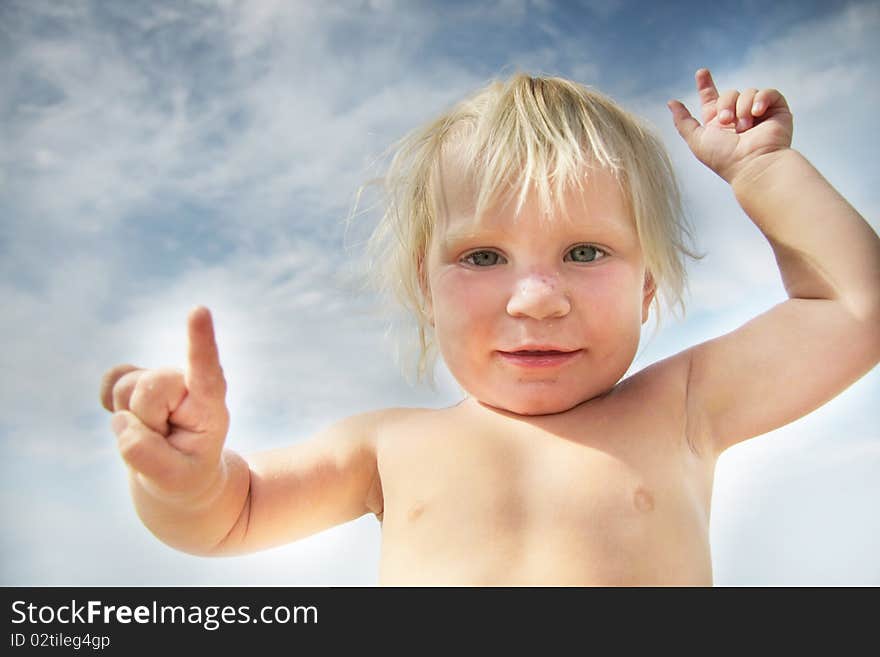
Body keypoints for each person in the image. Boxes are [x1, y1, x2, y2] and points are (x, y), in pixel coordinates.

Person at [100, 69, 880, 585]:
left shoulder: (682, 406)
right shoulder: (387, 444)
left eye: (584, 251)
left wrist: (762, 170)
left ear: (646, 287)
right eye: (482, 255)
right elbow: (229, 515)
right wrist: (186, 477)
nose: (536, 298)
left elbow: (851, 309)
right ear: (424, 287)